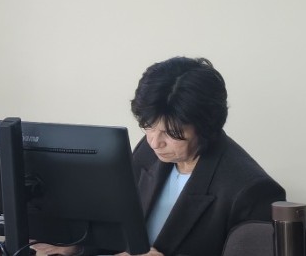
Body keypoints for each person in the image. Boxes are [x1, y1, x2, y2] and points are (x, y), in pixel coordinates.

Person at [37, 56, 284, 256]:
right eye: (148, 126)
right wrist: (80, 246)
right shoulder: (150, 150)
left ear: (206, 127)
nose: (155, 142)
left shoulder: (253, 191)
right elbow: (121, 228)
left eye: (171, 133)